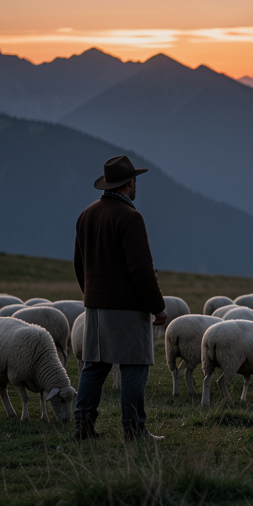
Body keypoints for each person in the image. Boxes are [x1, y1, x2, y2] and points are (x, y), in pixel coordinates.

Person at [72, 155, 168, 441]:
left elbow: (79, 264)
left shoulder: (87, 214)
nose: (136, 185)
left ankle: (83, 427)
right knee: (134, 366)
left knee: (94, 366)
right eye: (135, 180)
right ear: (128, 184)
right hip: (127, 307)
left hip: (96, 306)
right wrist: (157, 307)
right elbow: (141, 269)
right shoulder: (130, 217)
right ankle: (134, 429)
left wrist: (91, 295)